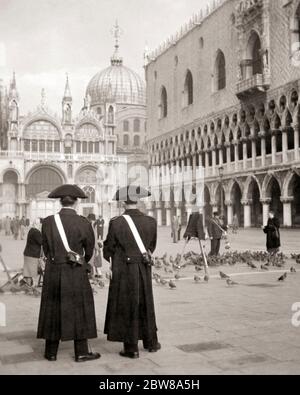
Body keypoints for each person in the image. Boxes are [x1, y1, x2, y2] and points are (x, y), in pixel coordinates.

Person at [37, 184, 100, 363]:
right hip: (75, 271)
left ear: (60, 201)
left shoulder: (48, 222)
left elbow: (46, 248)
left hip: (54, 270)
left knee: (53, 309)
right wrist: (80, 260)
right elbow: (89, 250)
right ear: (76, 202)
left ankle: (50, 352)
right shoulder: (83, 222)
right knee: (80, 308)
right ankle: (81, 352)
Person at [103, 185, 160, 359]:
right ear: (138, 201)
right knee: (146, 302)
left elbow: (109, 247)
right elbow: (152, 246)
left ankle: (131, 348)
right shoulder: (151, 221)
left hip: (124, 270)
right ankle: (151, 343)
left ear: (123, 203)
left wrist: (110, 260)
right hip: (143, 267)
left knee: (128, 305)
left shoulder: (116, 222)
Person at [22, 219, 43, 288]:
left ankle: (28, 286)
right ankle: (30, 287)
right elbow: (42, 242)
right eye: (41, 224)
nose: (41, 226)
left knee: (28, 271)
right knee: (31, 272)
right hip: (32, 255)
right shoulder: (36, 232)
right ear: (38, 224)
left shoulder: (32, 230)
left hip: (28, 254)